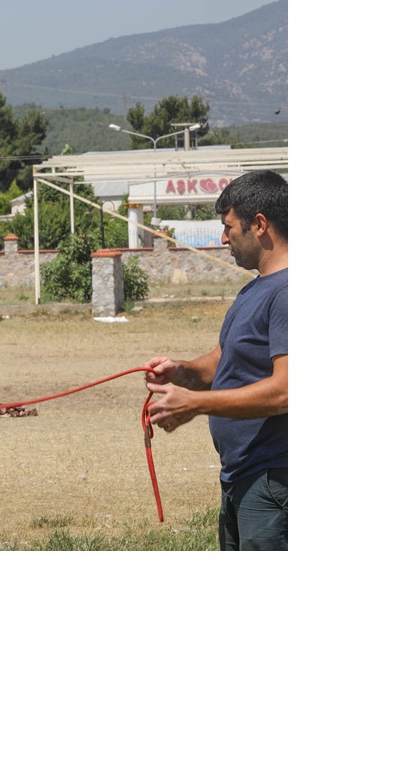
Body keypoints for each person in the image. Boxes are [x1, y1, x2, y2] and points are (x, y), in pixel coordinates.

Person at [144, 169, 288, 549]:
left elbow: (286, 392)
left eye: (229, 227)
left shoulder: (289, 293)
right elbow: (221, 362)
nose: (223, 238)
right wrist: (180, 372)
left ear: (259, 225)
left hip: (274, 483)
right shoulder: (254, 290)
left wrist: (196, 404)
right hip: (242, 478)